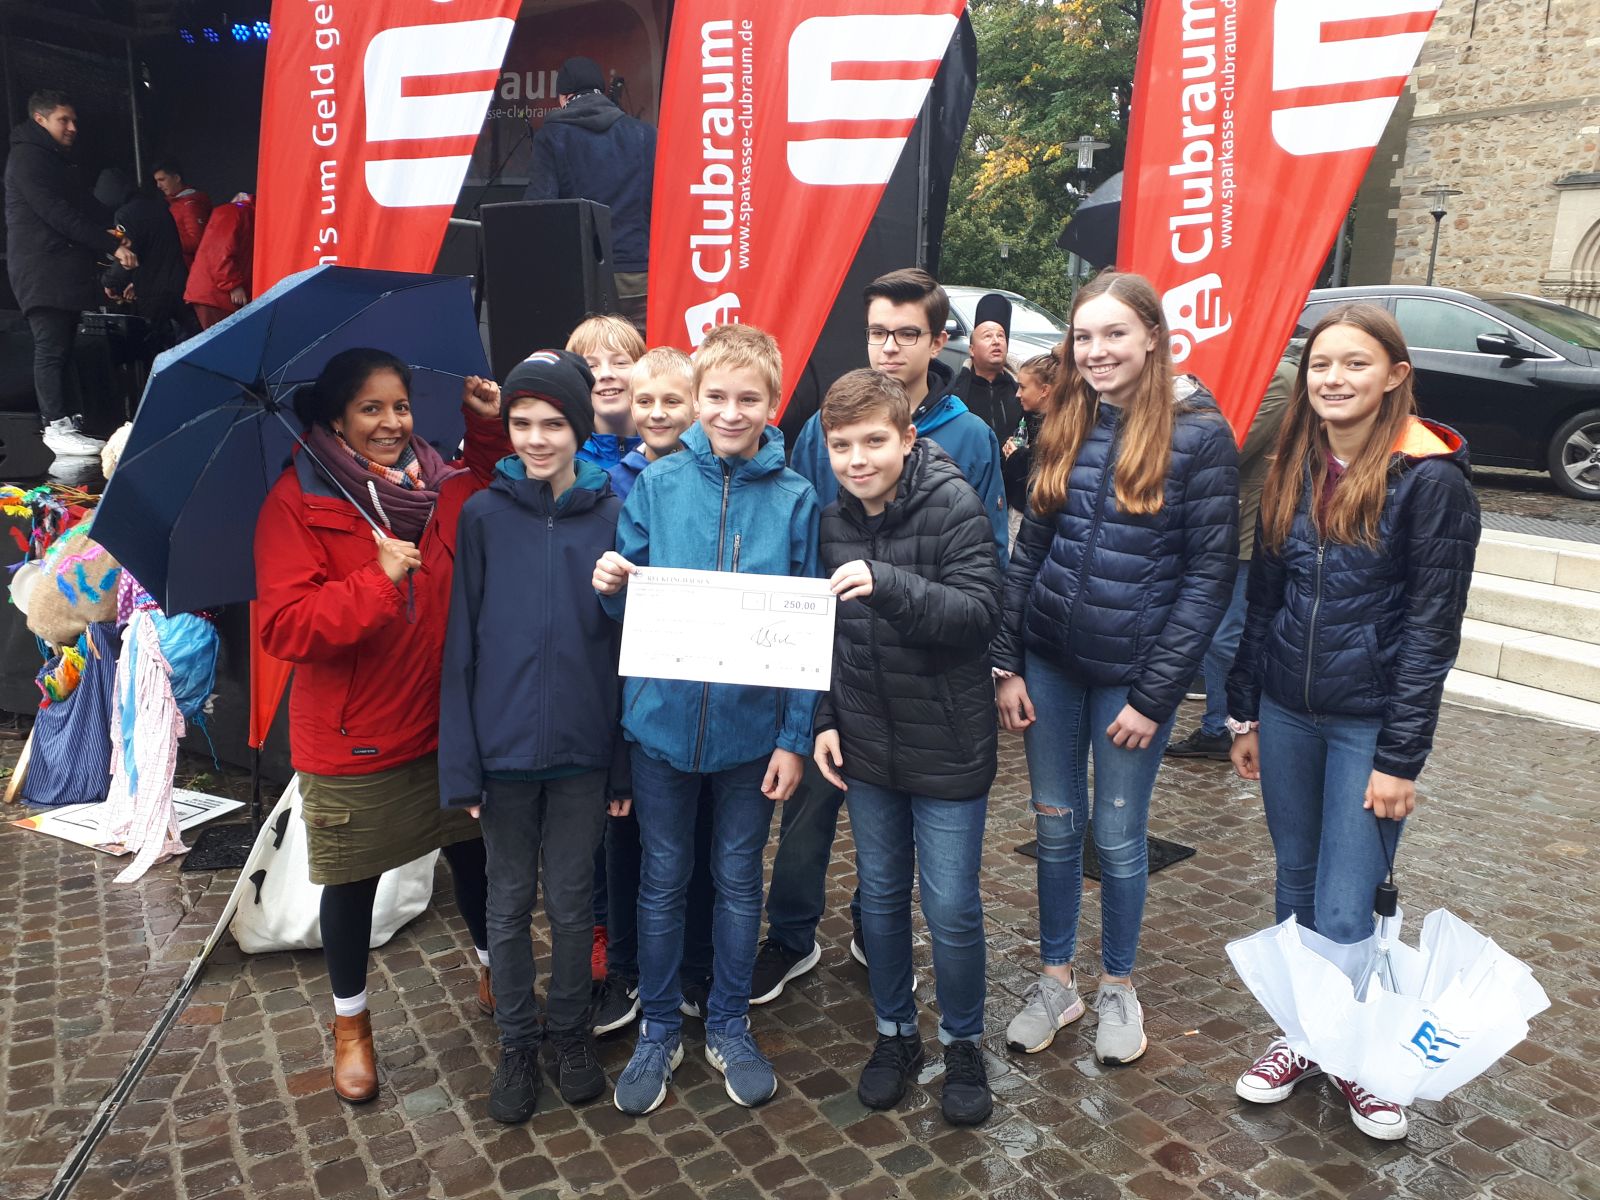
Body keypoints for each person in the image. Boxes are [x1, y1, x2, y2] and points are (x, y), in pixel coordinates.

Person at [1227, 303, 1479, 1141]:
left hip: (1367, 723)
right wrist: (1243, 711)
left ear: (1396, 375)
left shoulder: (1431, 482)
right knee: (1294, 885)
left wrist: (1401, 759)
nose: (1334, 379)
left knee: (1343, 905)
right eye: (1321, 364)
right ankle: (1306, 1036)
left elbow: (1430, 633)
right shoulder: (1296, 463)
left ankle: (1358, 1058)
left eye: (1356, 363)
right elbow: (1265, 598)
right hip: (1286, 713)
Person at [994, 271, 1238, 1066]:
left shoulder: (1201, 437)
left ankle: (1118, 987)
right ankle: (1056, 980)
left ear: (1153, 337)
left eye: (1114, 334)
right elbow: (1030, 548)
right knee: (1055, 824)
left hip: (1134, 679)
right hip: (1051, 663)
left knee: (1120, 836)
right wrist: (1007, 662)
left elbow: (1208, 579)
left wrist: (1156, 696)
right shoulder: (1067, 420)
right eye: (1084, 336)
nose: (1096, 351)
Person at [253, 348, 509, 1103]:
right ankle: (351, 1025)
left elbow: (490, 489)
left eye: (400, 406)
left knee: (473, 857)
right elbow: (286, 627)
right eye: (371, 408)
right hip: (355, 736)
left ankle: (494, 970)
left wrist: (484, 429)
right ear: (336, 419)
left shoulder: (436, 484)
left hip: (448, 722)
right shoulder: (297, 502)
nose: (391, 422)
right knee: (351, 886)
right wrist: (376, 579)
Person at [757, 268, 1008, 1007]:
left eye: (905, 333)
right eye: (876, 332)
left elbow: (985, 569)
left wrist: (1001, 665)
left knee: (914, 880)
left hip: (931, 690)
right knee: (811, 811)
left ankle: (880, 932)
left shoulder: (967, 437)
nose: (889, 346)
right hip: (843, 679)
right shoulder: (823, 427)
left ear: (936, 340)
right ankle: (793, 935)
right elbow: (806, 529)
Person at [593, 323, 820, 1116]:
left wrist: (794, 738)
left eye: (747, 398)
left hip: (751, 736)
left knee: (736, 878)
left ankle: (726, 1020)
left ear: (772, 403)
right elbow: (625, 605)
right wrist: (611, 586)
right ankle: (659, 1025)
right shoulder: (656, 485)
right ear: (697, 398)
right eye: (716, 396)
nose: (729, 412)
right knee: (662, 879)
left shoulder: (795, 498)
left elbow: (807, 632)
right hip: (660, 728)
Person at [439, 349, 630, 1123]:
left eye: (553, 422)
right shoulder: (483, 516)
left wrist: (619, 763)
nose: (537, 437)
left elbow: (626, 649)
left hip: (583, 750)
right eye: (522, 422)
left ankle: (571, 1031)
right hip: (504, 752)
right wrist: (463, 765)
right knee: (510, 899)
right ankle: (518, 1041)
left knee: (575, 901)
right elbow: (462, 642)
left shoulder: (613, 516)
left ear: (578, 427)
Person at [812, 368, 1002, 1126]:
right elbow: (820, 635)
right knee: (881, 901)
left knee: (950, 908)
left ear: (907, 438)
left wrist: (888, 583)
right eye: (842, 446)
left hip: (947, 743)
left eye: (873, 442)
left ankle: (963, 1042)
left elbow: (979, 615)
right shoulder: (831, 520)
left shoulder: (954, 504)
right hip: (867, 745)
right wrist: (825, 718)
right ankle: (895, 1033)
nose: (858, 460)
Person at [591, 344, 706, 1038]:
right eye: (645, 401)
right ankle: (627, 967)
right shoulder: (613, 485)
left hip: (699, 691)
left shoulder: (715, 476)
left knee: (699, 844)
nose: (658, 413)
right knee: (626, 839)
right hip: (632, 691)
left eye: (672, 401)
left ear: (695, 404)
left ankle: (694, 964)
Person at [1165, 348, 1294, 760]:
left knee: (1224, 635)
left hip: (1246, 525)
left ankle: (1223, 727)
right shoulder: (1263, 368)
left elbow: (1230, 447)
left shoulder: (1279, 375)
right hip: (1226, 521)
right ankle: (1218, 724)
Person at [5, 89, 136, 456]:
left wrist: (116, 230)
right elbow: (57, 214)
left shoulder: (54, 160)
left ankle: (65, 422)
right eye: (64, 120)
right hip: (41, 269)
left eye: (74, 120)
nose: (73, 127)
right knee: (50, 347)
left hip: (57, 270)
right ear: (40, 119)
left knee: (62, 347)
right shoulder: (27, 158)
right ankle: (55, 425)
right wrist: (110, 244)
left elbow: (83, 205)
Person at [526, 56, 656, 332]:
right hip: (639, 274)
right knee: (641, 353)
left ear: (564, 97)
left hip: (584, 280)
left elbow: (539, 211)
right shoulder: (646, 134)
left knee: (589, 354)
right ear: (602, 92)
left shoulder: (551, 137)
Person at [92, 167, 191, 341]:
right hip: (180, 284)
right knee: (189, 338)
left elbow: (127, 255)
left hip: (152, 292)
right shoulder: (160, 206)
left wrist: (109, 282)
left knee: (156, 344)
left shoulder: (124, 215)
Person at [567, 314, 644, 469]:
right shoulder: (564, 458)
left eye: (620, 363)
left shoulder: (669, 448)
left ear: (643, 370)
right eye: (591, 366)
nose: (606, 374)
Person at [949, 292, 1021, 446]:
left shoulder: (1021, 390)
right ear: (972, 349)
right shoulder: (954, 393)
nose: (996, 341)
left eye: (1001, 336)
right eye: (988, 336)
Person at [185, 191, 254, 330]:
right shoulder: (236, 213)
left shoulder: (237, 212)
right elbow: (218, 252)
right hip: (216, 294)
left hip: (215, 292)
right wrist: (232, 284)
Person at [1001, 351, 1057, 515]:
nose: (1018, 393)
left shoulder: (1057, 431)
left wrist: (1016, 456)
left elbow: (1037, 471)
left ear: (1044, 390)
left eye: (1023, 387)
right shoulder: (1028, 416)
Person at [151, 157, 211, 269]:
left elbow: (197, 241)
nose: (158, 185)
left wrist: (165, 240)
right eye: (157, 181)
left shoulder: (190, 204)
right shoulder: (175, 203)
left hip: (189, 269)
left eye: (162, 180)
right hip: (181, 267)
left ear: (176, 178)